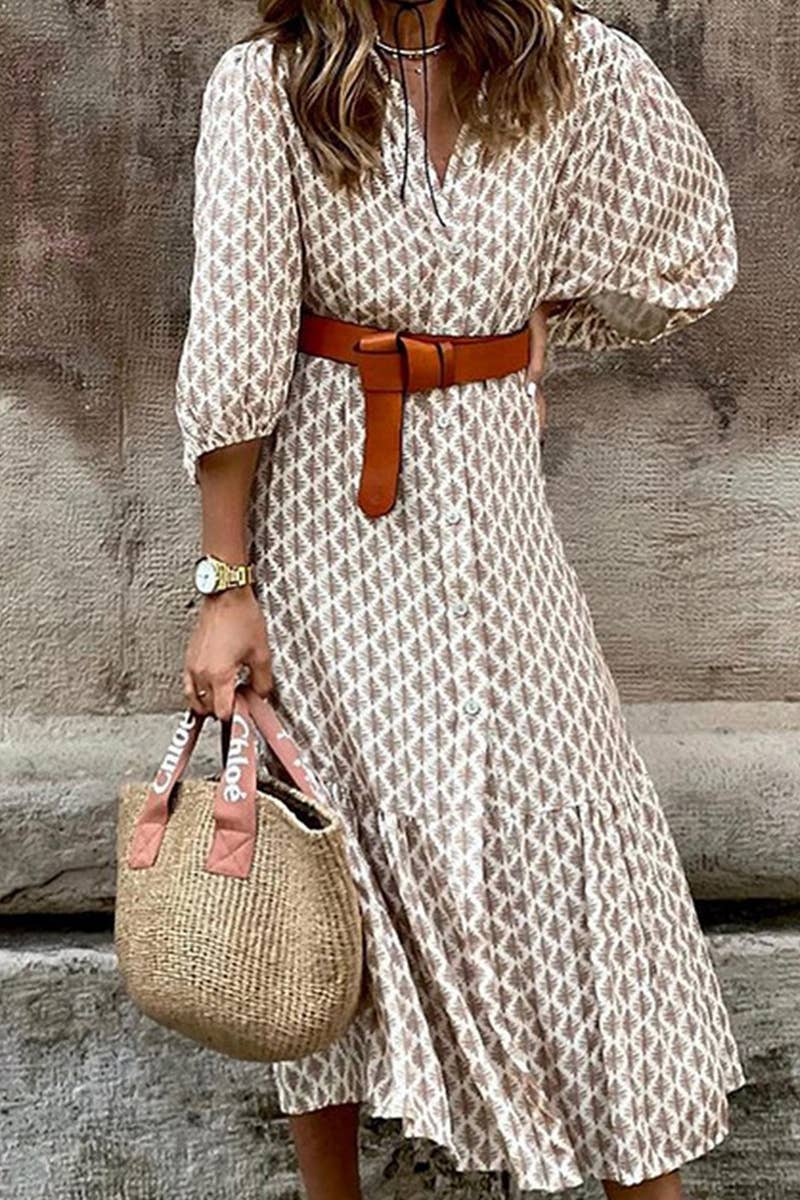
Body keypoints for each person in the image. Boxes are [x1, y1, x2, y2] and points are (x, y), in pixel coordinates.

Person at [175, 1, 747, 1197]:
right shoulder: (268, 83)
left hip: (496, 523)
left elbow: (684, 248)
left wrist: (536, 326)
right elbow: (236, 344)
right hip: (327, 528)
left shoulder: (559, 57)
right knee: (333, 877)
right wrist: (226, 585)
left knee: (577, 870)